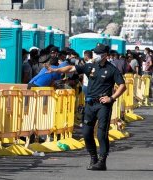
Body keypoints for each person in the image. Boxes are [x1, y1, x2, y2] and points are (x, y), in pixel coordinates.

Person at [46, 43, 126, 171]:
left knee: (101, 134)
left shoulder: (112, 69)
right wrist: (55, 70)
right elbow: (71, 68)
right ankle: (93, 158)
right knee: (87, 133)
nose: (95, 55)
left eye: (98, 53)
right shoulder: (90, 66)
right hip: (90, 104)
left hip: (103, 105)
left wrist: (111, 98)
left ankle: (102, 161)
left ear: (105, 55)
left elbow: (122, 86)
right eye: (95, 52)